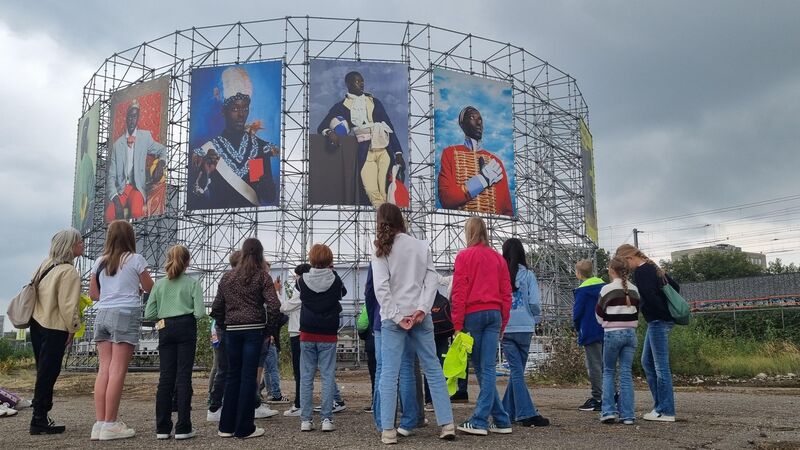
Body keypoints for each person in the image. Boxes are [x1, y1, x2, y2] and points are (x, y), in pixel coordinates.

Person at [371, 203, 455, 445]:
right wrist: (421, 310)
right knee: (433, 369)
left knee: (389, 373)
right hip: (421, 317)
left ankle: (388, 429)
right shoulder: (421, 246)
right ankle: (447, 423)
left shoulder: (380, 248)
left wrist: (398, 316)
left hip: (393, 319)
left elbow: (381, 288)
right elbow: (431, 280)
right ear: (401, 219)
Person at [89, 220, 154, 441]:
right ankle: (111, 423)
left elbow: (94, 294)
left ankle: (100, 423)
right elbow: (149, 288)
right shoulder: (136, 259)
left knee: (104, 369)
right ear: (130, 237)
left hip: (102, 314)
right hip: (125, 314)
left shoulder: (99, 261)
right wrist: (131, 288)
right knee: (118, 370)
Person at [210, 237, 279, 439]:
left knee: (232, 376)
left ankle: (226, 427)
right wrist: (269, 329)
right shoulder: (262, 277)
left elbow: (216, 308)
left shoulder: (227, 277)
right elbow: (274, 306)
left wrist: (225, 325)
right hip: (254, 330)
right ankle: (245, 427)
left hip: (232, 330)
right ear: (260, 254)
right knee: (249, 378)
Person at [451, 217, 512, 436]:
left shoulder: (464, 256)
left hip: (473, 314)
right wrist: (503, 321)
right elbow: (506, 293)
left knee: (482, 369)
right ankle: (502, 420)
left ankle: (479, 421)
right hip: (494, 313)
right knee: (487, 369)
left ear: (470, 233)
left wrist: (457, 324)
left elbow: (459, 292)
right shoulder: (498, 259)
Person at [189, 66, 279, 209]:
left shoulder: (258, 148)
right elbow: (196, 200)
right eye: (235, 109)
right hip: (216, 224)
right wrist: (205, 174)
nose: (241, 114)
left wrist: (265, 184)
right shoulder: (207, 151)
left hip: (253, 223)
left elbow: (268, 198)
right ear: (224, 111)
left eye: (245, 108)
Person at [144, 245, 205, 440]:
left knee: (166, 377)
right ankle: (183, 426)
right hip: (186, 326)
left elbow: (149, 313)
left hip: (165, 327)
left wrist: (164, 317)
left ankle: (162, 427)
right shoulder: (192, 283)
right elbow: (200, 313)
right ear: (188, 262)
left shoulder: (159, 285)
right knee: (183, 376)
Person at [317, 71, 404, 208]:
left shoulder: (375, 102)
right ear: (348, 84)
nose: (361, 83)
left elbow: (389, 126)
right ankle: (384, 223)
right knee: (370, 191)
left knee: (386, 189)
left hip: (384, 147)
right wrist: (329, 133)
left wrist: (398, 152)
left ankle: (391, 225)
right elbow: (321, 126)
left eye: (362, 81)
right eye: (357, 81)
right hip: (365, 149)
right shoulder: (341, 106)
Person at [616, 244, 680, 422]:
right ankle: (660, 407)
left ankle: (666, 411)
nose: (624, 269)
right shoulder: (653, 267)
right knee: (648, 362)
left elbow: (649, 296)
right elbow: (676, 286)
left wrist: (656, 312)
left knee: (660, 367)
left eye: (624, 264)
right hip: (661, 321)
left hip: (658, 321)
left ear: (629, 258)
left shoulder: (641, 272)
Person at [28, 228, 83, 434]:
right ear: (70, 245)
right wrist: (73, 329)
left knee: (42, 372)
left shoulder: (45, 264)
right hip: (55, 327)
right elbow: (68, 306)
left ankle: (40, 415)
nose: (82, 244)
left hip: (36, 322)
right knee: (49, 373)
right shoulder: (68, 271)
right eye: (79, 242)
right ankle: (39, 417)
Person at [365, 263, 423, 436]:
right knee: (407, 369)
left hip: (383, 317)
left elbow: (370, 291)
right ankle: (409, 421)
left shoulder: (379, 258)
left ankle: (383, 421)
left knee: (383, 370)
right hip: (409, 317)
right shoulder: (411, 253)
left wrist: (372, 316)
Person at [500, 238, 550, 428]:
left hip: (506, 327)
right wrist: (534, 314)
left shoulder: (500, 274)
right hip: (525, 327)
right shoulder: (528, 275)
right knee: (518, 372)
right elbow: (535, 303)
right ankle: (526, 413)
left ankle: (506, 411)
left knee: (516, 372)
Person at [297, 244, 345, 432]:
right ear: (330, 260)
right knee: (327, 376)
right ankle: (326, 419)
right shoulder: (335, 280)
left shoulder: (302, 281)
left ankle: (306, 420)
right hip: (328, 334)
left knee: (306, 377)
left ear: (311, 259)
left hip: (307, 332)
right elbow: (342, 293)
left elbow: (298, 284)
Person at [437, 106, 513, 216]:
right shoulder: (450, 153)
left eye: (480, 119)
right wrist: (481, 181)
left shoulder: (496, 162)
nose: (478, 123)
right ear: (462, 124)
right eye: (472, 117)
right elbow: (446, 199)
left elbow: (507, 211)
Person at [596, 256, 641, 425]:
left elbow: (599, 314)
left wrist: (606, 323)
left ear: (611, 270)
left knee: (608, 372)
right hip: (630, 334)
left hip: (612, 333)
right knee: (626, 374)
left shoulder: (606, 289)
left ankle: (608, 411)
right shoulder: (635, 290)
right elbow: (637, 312)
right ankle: (627, 415)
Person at [105, 100, 166, 221]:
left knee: (137, 212)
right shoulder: (117, 145)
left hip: (138, 188)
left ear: (138, 118)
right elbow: (111, 176)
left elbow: (163, 150)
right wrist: (116, 200)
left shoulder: (145, 137)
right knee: (109, 215)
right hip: (122, 189)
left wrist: (161, 163)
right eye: (130, 116)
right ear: (126, 118)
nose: (132, 120)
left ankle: (133, 238)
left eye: (135, 116)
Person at [207, 250, 241, 422]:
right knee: (224, 369)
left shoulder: (226, 278)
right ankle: (214, 406)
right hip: (226, 329)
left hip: (222, 328)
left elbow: (216, 308)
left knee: (223, 369)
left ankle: (217, 405)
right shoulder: (231, 279)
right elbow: (218, 308)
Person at [572, 259, 606, 412]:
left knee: (594, 365)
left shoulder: (582, 291)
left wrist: (577, 328)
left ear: (578, 274)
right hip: (607, 329)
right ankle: (612, 394)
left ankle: (597, 398)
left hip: (589, 330)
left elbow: (577, 313)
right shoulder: (605, 287)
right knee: (608, 365)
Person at [279, 263, 312, 416]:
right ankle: (303, 402)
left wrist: (276, 292)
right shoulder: (308, 290)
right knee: (304, 370)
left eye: (297, 276)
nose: (296, 279)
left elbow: (284, 307)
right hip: (302, 332)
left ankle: (300, 404)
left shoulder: (301, 292)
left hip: (297, 333)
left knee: (300, 370)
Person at [73, 118, 95, 232]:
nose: (82, 143)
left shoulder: (88, 162)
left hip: (84, 206)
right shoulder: (81, 166)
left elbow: (90, 192)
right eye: (81, 140)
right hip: (80, 210)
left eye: (84, 140)